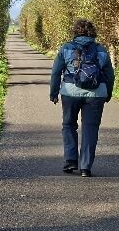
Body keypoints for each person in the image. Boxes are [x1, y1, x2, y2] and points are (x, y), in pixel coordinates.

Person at [49, 19, 115, 177]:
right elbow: (110, 75)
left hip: (70, 93)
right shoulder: (101, 50)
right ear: (93, 33)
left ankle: (71, 160)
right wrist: (108, 93)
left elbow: (56, 72)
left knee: (69, 125)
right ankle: (85, 167)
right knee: (90, 128)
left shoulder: (66, 48)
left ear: (75, 32)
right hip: (96, 94)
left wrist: (53, 93)